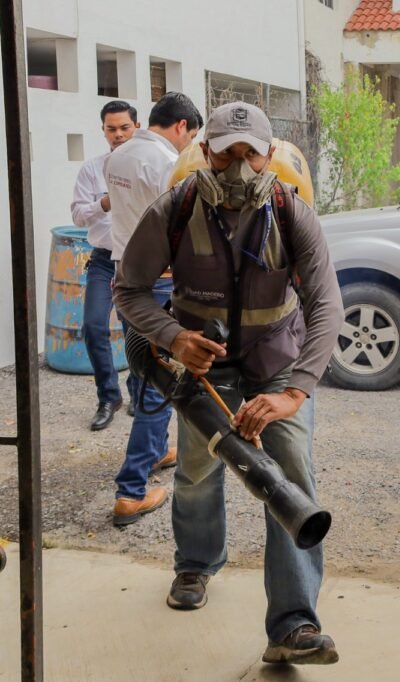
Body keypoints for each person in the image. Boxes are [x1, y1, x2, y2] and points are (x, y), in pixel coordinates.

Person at [113, 101, 343, 665]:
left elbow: (327, 305)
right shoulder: (176, 206)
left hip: (277, 364)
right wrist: (172, 337)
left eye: (250, 154)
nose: (238, 169)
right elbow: (128, 289)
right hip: (201, 363)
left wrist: (295, 392)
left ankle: (293, 625)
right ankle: (195, 563)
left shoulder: (293, 213)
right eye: (226, 154)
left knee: (290, 474)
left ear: (269, 156)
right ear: (205, 152)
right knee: (197, 469)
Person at [105, 91, 203, 526]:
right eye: (193, 135)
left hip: (125, 281)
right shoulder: (168, 164)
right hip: (159, 286)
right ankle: (131, 490)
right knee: (161, 383)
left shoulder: (117, 157)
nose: (191, 144)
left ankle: (159, 449)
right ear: (181, 126)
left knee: (147, 372)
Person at [71, 100, 139, 431]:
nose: (118, 134)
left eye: (124, 127)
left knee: (135, 333)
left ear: (136, 128)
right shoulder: (92, 169)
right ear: (103, 131)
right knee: (94, 326)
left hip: (136, 261)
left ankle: (138, 394)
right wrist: (104, 202)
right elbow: (78, 214)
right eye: (111, 129)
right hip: (102, 261)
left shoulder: (146, 166)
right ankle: (108, 396)